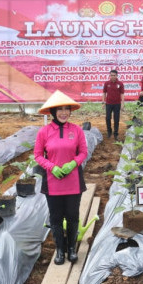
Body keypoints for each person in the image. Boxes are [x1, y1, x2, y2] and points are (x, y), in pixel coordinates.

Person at [34, 90, 88, 265]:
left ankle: (71, 248)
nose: (64, 112)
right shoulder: (44, 132)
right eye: (60, 109)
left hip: (73, 182)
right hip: (53, 182)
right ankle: (59, 250)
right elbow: (38, 155)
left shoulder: (77, 130)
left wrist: (73, 164)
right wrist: (52, 167)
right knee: (56, 217)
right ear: (53, 112)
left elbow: (83, 152)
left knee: (72, 216)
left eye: (67, 109)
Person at [102, 69, 125, 140]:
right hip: (108, 104)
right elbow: (104, 93)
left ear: (117, 76)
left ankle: (116, 133)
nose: (112, 77)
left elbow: (122, 94)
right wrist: (103, 102)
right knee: (108, 118)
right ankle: (109, 131)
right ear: (109, 76)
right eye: (111, 75)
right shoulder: (106, 83)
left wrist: (122, 103)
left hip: (117, 104)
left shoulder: (120, 84)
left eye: (114, 75)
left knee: (116, 119)